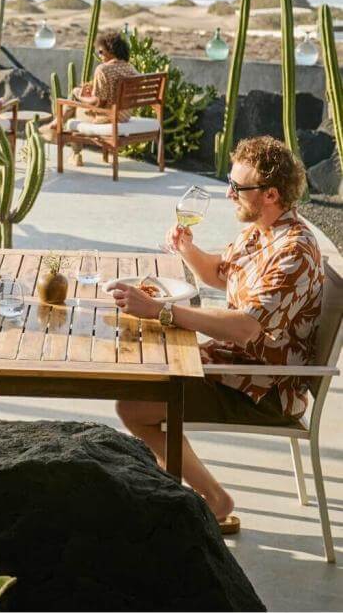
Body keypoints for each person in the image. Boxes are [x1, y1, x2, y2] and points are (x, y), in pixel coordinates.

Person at [110, 137, 322, 534]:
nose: (228, 193)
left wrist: (161, 310)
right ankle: (168, 489)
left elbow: (244, 326)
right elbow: (216, 273)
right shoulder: (262, 230)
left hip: (264, 389)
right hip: (235, 364)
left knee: (134, 404)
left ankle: (214, 499)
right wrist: (188, 249)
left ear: (271, 194)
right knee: (142, 368)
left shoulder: (294, 251)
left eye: (237, 188)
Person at [68, 30, 138, 165]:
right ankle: (55, 123)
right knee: (75, 104)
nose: (99, 55)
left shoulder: (103, 69)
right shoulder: (130, 68)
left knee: (73, 116)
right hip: (125, 115)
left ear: (111, 51)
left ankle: (75, 154)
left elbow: (98, 102)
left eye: (101, 52)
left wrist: (80, 96)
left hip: (108, 117)